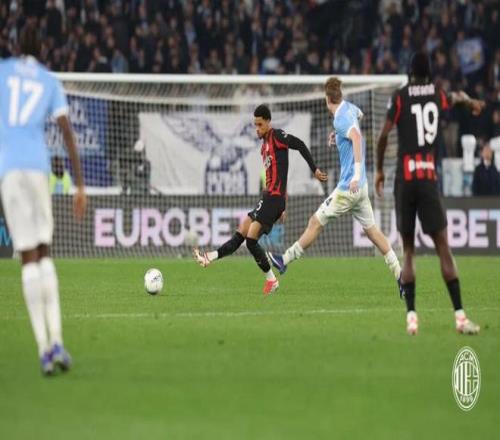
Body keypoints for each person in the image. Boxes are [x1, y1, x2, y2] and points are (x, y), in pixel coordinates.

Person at [375, 52, 484, 335]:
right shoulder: (438, 94)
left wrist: (379, 170)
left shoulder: (400, 96)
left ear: (410, 72)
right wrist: (472, 102)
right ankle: (460, 317)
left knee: (408, 252)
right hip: (427, 178)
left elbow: (384, 135)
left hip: (405, 179)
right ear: (429, 72)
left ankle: (411, 318)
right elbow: (457, 97)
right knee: (443, 248)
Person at [0, 26, 87, 375]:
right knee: (45, 253)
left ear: (16, 47)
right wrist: (80, 186)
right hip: (37, 169)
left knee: (27, 259)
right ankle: (58, 341)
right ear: (43, 50)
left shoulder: (4, 72)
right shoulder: (49, 81)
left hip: (9, 171)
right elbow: (66, 131)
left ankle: (43, 350)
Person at [267, 77, 403, 296]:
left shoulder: (340, 118)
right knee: (373, 232)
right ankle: (400, 273)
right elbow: (359, 116)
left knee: (315, 222)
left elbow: (356, 137)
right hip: (361, 188)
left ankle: (284, 259)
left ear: (327, 98)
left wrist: (355, 174)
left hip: (349, 187)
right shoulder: (349, 108)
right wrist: (338, 136)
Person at [193, 104, 328, 294]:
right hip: (269, 197)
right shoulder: (264, 147)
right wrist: (283, 205)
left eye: (260, 125)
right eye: (255, 125)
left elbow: (299, 144)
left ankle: (272, 278)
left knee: (251, 239)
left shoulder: (277, 136)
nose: (257, 129)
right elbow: (277, 175)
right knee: (242, 231)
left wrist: (314, 169)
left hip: (274, 198)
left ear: (268, 122)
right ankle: (210, 257)